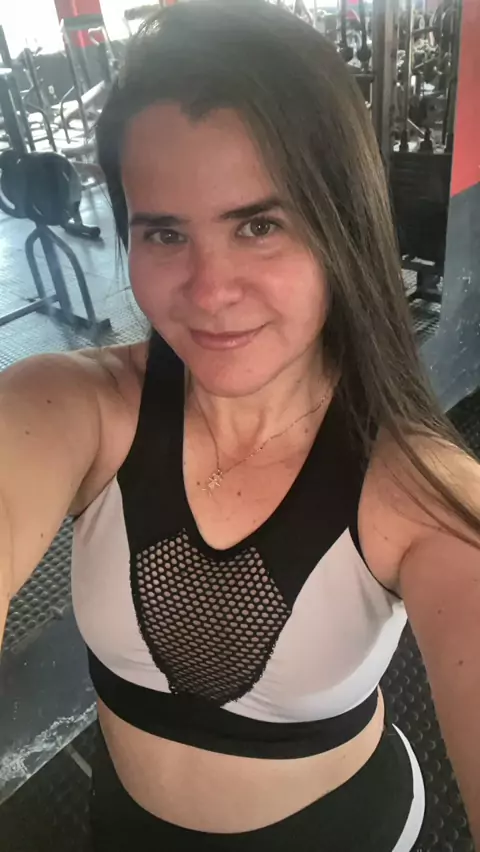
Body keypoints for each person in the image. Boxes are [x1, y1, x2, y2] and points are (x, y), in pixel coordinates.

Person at [0, 1, 479, 849]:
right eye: (164, 233)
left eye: (259, 225)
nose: (210, 291)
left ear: (342, 228)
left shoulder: (420, 490)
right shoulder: (70, 405)